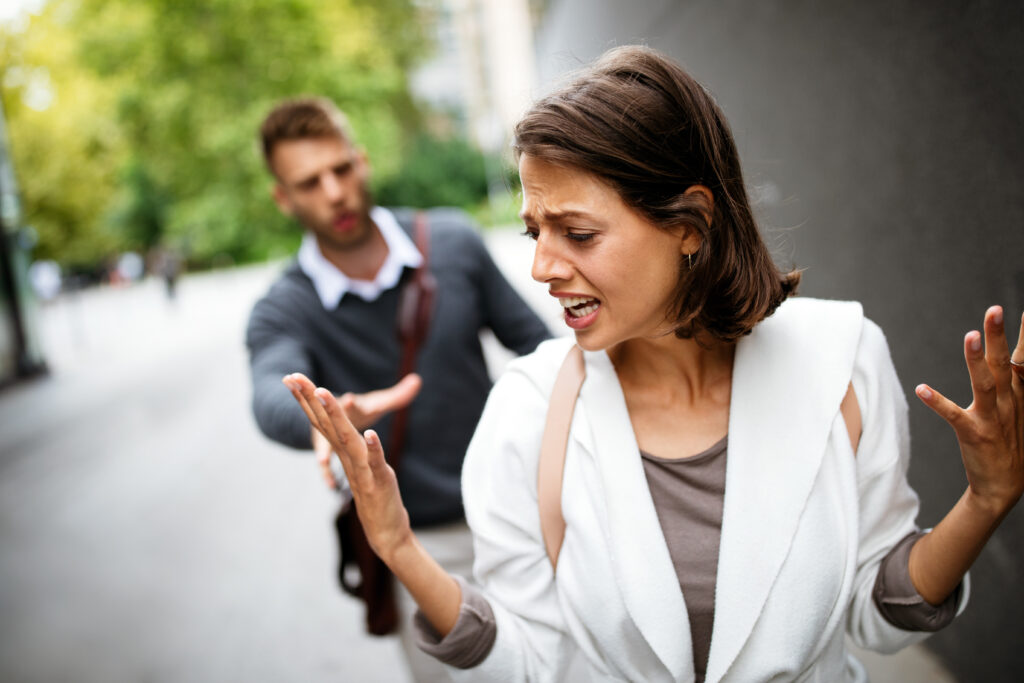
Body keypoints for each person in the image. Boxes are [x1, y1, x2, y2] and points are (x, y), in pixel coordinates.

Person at [282, 47, 1024, 682]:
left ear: (690, 224)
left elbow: (878, 612)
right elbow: (532, 662)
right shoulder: (527, 409)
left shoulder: (843, 358)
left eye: (576, 232)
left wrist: (985, 500)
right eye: (535, 230)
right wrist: (403, 552)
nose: (542, 265)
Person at [245, 97, 551, 681]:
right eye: (309, 182)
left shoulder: (453, 242)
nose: (333, 192)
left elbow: (538, 348)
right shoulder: (286, 306)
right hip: (418, 543)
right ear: (283, 198)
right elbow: (266, 391)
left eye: (341, 169)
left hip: (523, 515)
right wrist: (322, 419)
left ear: (362, 163)